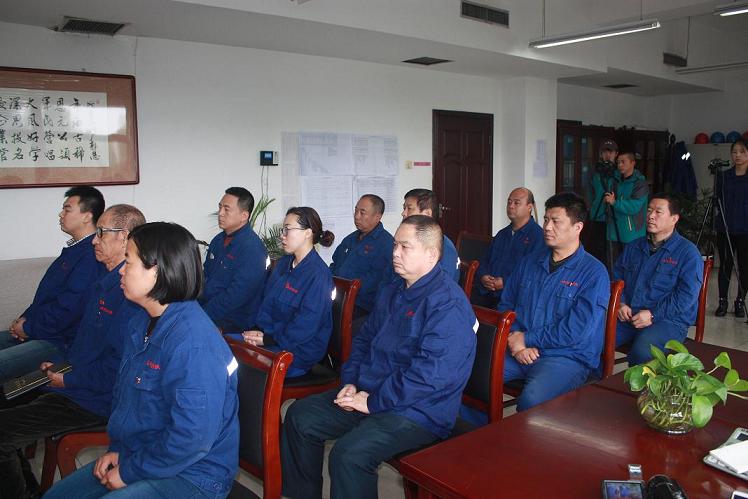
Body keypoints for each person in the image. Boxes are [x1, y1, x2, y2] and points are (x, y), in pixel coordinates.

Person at [281, 215, 476, 499]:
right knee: (301, 416)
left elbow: (428, 377)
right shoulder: (394, 289)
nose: (395, 253)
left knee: (348, 455)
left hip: (418, 410)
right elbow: (363, 340)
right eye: (395, 244)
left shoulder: (448, 305)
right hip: (371, 392)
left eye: (405, 247)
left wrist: (373, 401)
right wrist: (350, 382)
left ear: (431, 255)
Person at [44, 222, 239, 499]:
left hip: (194, 475)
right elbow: (132, 404)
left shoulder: (193, 344)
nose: (121, 271)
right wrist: (122, 452)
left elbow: (192, 438)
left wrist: (130, 471)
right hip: (143, 454)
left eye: (128, 262)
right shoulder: (141, 321)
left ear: (157, 271)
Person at [0, 204, 145, 499]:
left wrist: (67, 379)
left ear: (124, 237)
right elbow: (82, 343)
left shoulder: (130, 295)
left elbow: (118, 369)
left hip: (93, 398)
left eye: (101, 233)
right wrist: (57, 365)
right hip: (73, 379)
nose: (94, 240)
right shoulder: (104, 282)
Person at [498, 192, 609, 412]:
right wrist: (515, 339)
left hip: (565, 356)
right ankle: (479, 431)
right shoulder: (529, 262)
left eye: (556, 221)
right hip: (518, 346)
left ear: (578, 227)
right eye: (546, 220)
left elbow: (576, 331)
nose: (547, 227)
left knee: (531, 401)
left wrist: (527, 338)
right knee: (469, 376)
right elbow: (506, 304)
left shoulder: (594, 273)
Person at [0, 186, 105, 383]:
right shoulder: (74, 251)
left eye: (67, 209)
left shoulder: (90, 256)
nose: (61, 214)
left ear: (87, 216)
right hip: (40, 331)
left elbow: (69, 309)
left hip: (60, 341)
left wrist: (28, 327)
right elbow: (45, 298)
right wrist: (22, 321)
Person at [240, 207, 335, 378]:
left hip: (297, 352)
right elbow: (266, 303)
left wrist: (268, 339)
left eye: (287, 229)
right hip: (271, 339)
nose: (282, 236)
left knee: (243, 368)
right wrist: (257, 330)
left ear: (307, 233)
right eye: (282, 230)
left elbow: (305, 327)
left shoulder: (319, 276)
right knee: (227, 347)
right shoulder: (284, 264)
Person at [614, 194, 703, 366]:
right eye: (649, 210)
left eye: (658, 212)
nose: (651, 216)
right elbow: (617, 277)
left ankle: (637, 385)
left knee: (642, 352)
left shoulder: (688, 253)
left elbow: (686, 296)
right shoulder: (634, 246)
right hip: (629, 315)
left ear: (674, 219)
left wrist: (653, 314)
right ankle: (596, 381)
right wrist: (621, 303)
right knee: (592, 339)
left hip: (668, 320)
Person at [200, 187, 267, 331]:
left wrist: (203, 315)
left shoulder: (253, 249)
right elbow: (205, 276)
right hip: (208, 309)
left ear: (244, 216)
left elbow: (236, 296)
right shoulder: (218, 240)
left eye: (227, 209)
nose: (220, 213)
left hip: (233, 321)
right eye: (220, 207)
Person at [474, 187, 544, 308]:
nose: (511, 206)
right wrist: (483, 276)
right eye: (509, 202)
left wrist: (505, 282)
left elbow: (533, 273)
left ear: (529, 207)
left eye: (516, 203)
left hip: (513, 299)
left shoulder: (538, 237)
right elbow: (485, 260)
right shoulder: (502, 234)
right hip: (487, 293)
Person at [330, 194, 393, 317]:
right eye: (356, 211)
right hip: (338, 298)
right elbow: (334, 264)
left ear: (377, 216)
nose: (356, 216)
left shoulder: (386, 244)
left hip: (362, 307)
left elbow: (375, 280)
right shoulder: (350, 239)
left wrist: (345, 289)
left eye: (362, 212)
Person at [714, 138, 748, 317]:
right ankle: (722, 302)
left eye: (742, 151)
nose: (738, 155)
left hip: (746, 230)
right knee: (725, 265)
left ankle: (740, 301)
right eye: (734, 152)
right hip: (725, 227)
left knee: (745, 267)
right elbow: (717, 201)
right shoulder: (724, 176)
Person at [400, 188, 459, 281]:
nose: (403, 213)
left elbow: (441, 285)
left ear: (427, 214)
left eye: (409, 208)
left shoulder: (445, 248)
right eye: (404, 208)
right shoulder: (413, 241)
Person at [602, 152, 649, 264]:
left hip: (631, 234)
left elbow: (634, 206)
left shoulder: (640, 183)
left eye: (623, 162)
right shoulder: (614, 180)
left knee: (630, 266)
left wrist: (614, 202)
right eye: (618, 162)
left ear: (633, 163)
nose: (620, 165)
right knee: (613, 266)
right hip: (613, 231)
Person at [587, 139, 619, 266]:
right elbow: (589, 192)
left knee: (613, 252)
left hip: (615, 217)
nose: (608, 155)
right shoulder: (594, 172)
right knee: (596, 250)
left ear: (616, 154)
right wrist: (591, 207)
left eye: (611, 152)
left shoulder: (619, 172)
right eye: (605, 152)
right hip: (597, 215)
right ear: (601, 154)